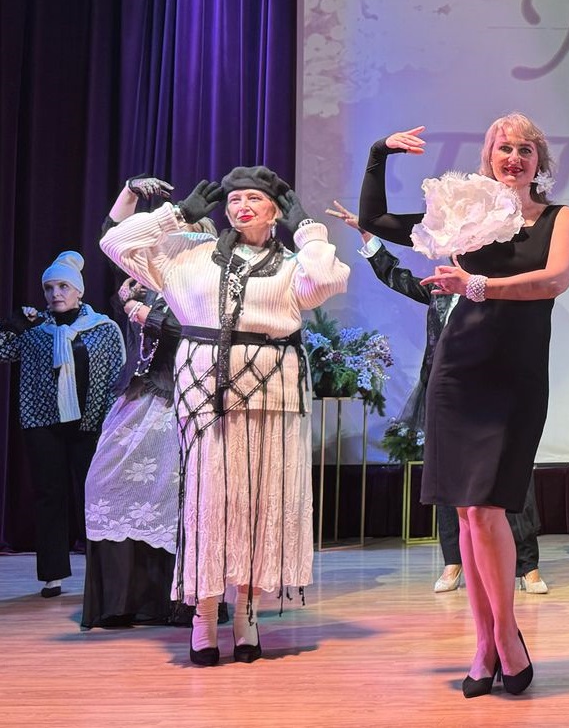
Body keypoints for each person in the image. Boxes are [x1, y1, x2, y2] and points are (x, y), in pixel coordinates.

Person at [358, 116, 569, 697]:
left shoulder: (557, 218)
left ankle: (505, 635)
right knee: (465, 514)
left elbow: (554, 280)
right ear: (488, 156)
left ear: (539, 161)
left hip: (515, 376)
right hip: (458, 372)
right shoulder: (465, 212)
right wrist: (379, 153)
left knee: (488, 510)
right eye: (504, 148)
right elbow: (375, 221)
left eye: (526, 149)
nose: (514, 157)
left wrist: (478, 286)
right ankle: (485, 645)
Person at [100, 166, 349, 665]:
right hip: (205, 393)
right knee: (209, 501)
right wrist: (178, 214)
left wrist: (308, 229)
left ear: (275, 211)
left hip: (274, 395)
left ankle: (247, 614)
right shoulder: (188, 252)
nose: (242, 206)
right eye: (234, 199)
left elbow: (325, 280)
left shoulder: (292, 265)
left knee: (260, 504)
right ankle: (204, 615)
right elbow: (115, 243)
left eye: (255, 198)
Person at [325, 200, 548, 596]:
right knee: (448, 479)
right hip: (447, 393)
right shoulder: (440, 291)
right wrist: (369, 234)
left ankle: (527, 565)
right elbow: (395, 276)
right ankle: (453, 561)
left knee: (511, 478)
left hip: (494, 393)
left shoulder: (497, 289)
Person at [82, 177, 214, 629]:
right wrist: (131, 192)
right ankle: (119, 601)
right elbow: (110, 237)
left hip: (182, 399)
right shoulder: (151, 275)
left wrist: (147, 314)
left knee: (176, 498)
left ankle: (175, 602)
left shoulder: (205, 281)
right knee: (104, 484)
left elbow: (202, 329)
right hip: (138, 399)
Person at [2, 251, 126, 600]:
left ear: (79, 291)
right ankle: (52, 575)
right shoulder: (34, 329)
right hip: (43, 423)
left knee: (95, 498)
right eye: (49, 288)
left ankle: (102, 573)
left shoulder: (103, 328)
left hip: (90, 424)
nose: (55, 293)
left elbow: (116, 379)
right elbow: (2, 351)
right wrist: (13, 325)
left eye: (63, 286)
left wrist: (110, 423)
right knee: (49, 495)